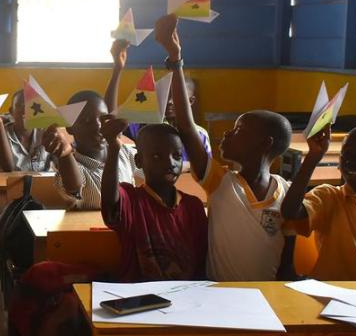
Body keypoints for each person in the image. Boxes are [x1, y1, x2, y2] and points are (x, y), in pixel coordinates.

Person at [157, 14, 295, 281]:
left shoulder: (286, 193)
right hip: (220, 301)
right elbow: (186, 126)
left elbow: (289, 254)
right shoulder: (219, 182)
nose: (227, 134)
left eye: (239, 131)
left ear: (264, 144)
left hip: (268, 303)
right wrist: (175, 60)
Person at [281, 125, 356, 280]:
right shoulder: (327, 196)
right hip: (330, 295)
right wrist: (313, 157)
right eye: (346, 154)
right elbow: (291, 212)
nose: (352, 161)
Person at [100, 119, 208, 281]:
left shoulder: (193, 206)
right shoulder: (131, 199)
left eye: (177, 156)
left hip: (187, 296)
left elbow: (201, 262)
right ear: (139, 161)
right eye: (157, 156)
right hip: (139, 298)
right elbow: (110, 198)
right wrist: (114, 149)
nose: (171, 163)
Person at [103, 39, 211, 164]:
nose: (170, 101)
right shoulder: (143, 128)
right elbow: (110, 121)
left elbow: (205, 170)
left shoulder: (199, 135)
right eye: (167, 94)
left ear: (191, 101)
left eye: (175, 97)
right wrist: (117, 69)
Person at [43, 91, 138, 210]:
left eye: (103, 118)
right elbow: (74, 187)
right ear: (70, 128)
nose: (98, 126)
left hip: (129, 228)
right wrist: (66, 155)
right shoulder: (73, 168)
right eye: (87, 121)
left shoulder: (124, 152)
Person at [0, 90, 51, 172]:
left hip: (44, 184)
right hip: (12, 184)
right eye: (19, 106)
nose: (25, 110)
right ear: (11, 111)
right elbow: (7, 168)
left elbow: (61, 164)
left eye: (30, 106)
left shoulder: (46, 133)